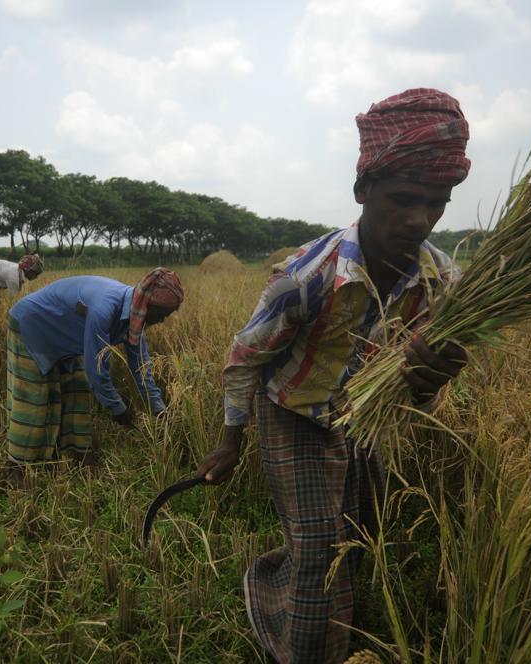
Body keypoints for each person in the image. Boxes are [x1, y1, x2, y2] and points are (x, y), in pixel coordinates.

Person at [195, 88, 472, 663]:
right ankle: (307, 649)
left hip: (364, 417)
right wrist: (230, 438)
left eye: (436, 203)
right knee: (321, 547)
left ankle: (297, 590)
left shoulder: (444, 283)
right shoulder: (305, 278)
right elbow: (245, 357)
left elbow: (420, 384)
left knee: (355, 535)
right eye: (402, 199)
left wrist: (430, 378)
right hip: (293, 413)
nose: (419, 219)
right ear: (362, 191)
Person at [3, 267, 184, 476]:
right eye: (160, 314)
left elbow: (142, 370)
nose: (161, 321)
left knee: (77, 391)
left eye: (166, 316)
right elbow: (97, 369)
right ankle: (16, 468)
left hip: (65, 337)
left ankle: (80, 455)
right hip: (32, 325)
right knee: (34, 398)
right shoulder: (104, 308)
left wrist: (160, 411)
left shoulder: (134, 319)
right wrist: (118, 409)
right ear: (146, 304)